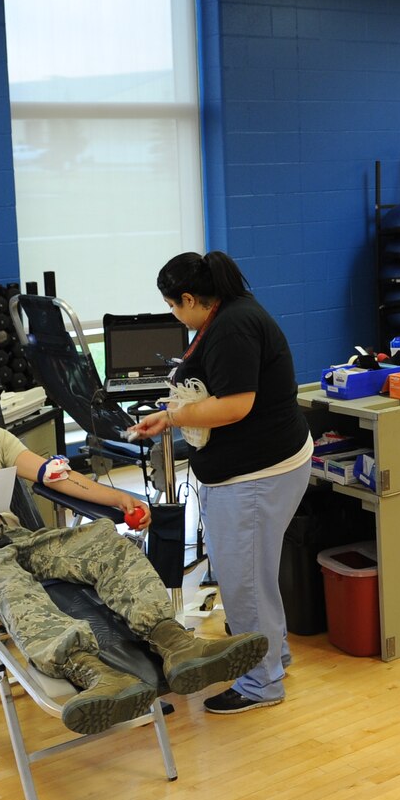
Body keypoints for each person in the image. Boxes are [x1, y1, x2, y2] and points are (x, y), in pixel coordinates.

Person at [0, 353, 269, 736]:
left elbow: (55, 475)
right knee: (12, 587)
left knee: (106, 542)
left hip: (18, 539)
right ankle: (94, 674)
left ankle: (175, 643)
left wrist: (119, 499)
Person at [130, 251, 309, 716]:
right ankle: (274, 658)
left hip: (257, 475)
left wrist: (172, 416)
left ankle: (260, 684)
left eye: (174, 307)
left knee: (244, 582)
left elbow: (235, 406)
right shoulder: (229, 313)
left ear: (189, 298)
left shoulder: (232, 328)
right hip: (256, 467)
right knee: (255, 576)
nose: (176, 316)